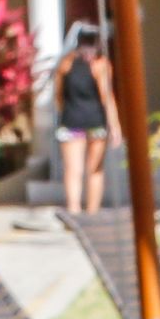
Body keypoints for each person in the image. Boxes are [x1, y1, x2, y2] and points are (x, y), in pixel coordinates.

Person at [51, 20, 120, 213]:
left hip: (72, 120)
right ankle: (92, 210)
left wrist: (64, 111)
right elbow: (107, 97)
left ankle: (74, 210)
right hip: (95, 121)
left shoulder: (65, 64)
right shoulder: (101, 65)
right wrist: (115, 126)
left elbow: (58, 96)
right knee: (94, 170)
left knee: (74, 171)